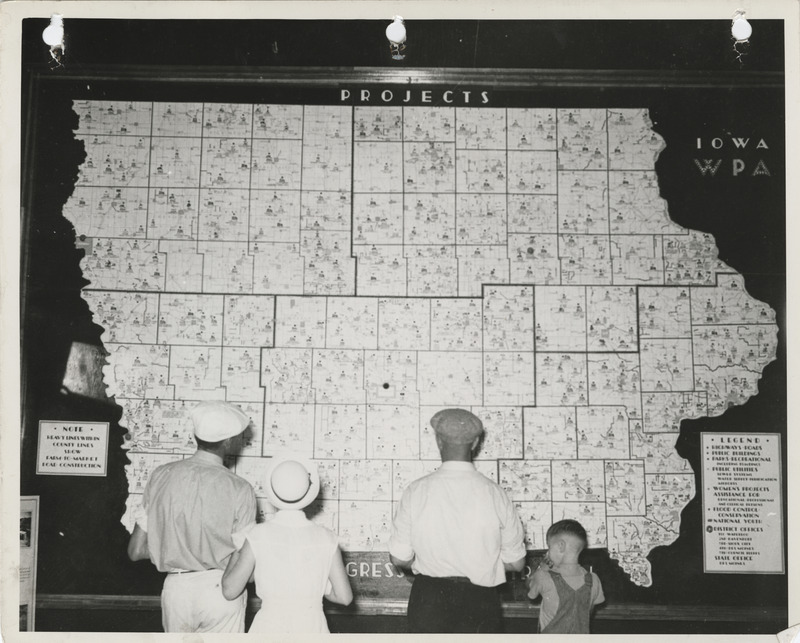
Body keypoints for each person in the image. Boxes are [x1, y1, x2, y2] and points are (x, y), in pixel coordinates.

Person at [388, 408, 526, 633]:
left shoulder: (416, 491)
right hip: (480, 601)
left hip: (429, 600)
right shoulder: (496, 493)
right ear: (475, 443)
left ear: (438, 441)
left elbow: (399, 558)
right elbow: (517, 563)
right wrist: (481, 563)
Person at [127, 400, 257, 633]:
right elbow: (245, 565)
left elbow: (135, 551)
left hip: (175, 592)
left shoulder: (160, 476)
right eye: (237, 437)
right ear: (227, 442)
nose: (240, 441)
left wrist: (174, 552)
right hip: (221, 590)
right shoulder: (240, 488)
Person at [221, 454, 352, 633]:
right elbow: (344, 597)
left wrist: (239, 546)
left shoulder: (257, 534)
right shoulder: (327, 538)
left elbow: (230, 590)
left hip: (269, 627)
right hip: (312, 627)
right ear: (308, 492)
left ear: (273, 491)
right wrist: (316, 589)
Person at [527, 519, 605, 633]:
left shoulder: (543, 576)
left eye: (549, 547)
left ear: (561, 546)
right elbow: (587, 612)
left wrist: (542, 567)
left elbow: (531, 593)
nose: (548, 552)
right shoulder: (594, 579)